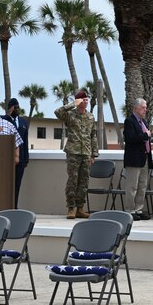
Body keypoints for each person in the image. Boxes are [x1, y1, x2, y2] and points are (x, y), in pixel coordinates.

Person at [55, 90, 98, 219]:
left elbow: (93, 136)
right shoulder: (70, 115)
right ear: (78, 101)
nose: (85, 101)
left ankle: (80, 208)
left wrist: (93, 154)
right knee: (72, 181)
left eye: (86, 99)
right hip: (73, 152)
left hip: (85, 153)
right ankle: (71, 208)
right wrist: (72, 104)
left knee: (84, 182)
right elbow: (57, 112)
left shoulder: (90, 117)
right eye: (83, 99)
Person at [123, 98, 153, 220]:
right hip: (134, 159)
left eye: (146, 107)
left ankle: (138, 210)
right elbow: (130, 138)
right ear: (136, 108)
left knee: (142, 185)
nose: (145, 109)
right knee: (132, 186)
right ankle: (130, 210)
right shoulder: (129, 121)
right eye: (143, 107)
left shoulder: (144, 122)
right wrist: (146, 135)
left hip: (144, 157)